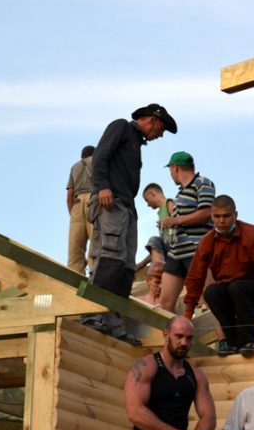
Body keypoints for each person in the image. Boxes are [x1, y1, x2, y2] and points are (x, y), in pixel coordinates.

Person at [83, 103, 176, 343]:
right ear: (153, 120)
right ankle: (92, 313)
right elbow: (100, 156)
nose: (160, 135)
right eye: (161, 129)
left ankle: (114, 322)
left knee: (125, 266)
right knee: (109, 256)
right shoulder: (121, 127)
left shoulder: (136, 142)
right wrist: (103, 186)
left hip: (126, 205)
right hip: (110, 201)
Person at [182, 195, 254, 358]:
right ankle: (232, 342)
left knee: (237, 287)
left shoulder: (252, 234)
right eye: (217, 216)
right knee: (212, 292)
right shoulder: (207, 242)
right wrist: (188, 311)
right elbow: (195, 277)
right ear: (211, 217)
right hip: (231, 295)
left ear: (235, 215)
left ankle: (249, 342)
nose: (221, 221)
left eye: (226, 216)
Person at [158, 152, 215, 312]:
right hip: (176, 253)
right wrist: (167, 223)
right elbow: (183, 219)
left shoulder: (203, 183)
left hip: (196, 250)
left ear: (175, 168)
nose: (170, 174)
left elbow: (207, 212)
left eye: (170, 170)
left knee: (210, 299)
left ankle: (223, 338)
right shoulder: (180, 192)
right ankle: (169, 337)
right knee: (165, 304)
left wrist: (176, 220)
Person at [66, 145, 96, 275]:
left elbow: (69, 197)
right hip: (93, 200)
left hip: (76, 204)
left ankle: (74, 286)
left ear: (82, 156)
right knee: (95, 248)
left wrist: (73, 214)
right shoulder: (97, 162)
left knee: (75, 255)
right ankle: (95, 281)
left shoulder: (75, 167)